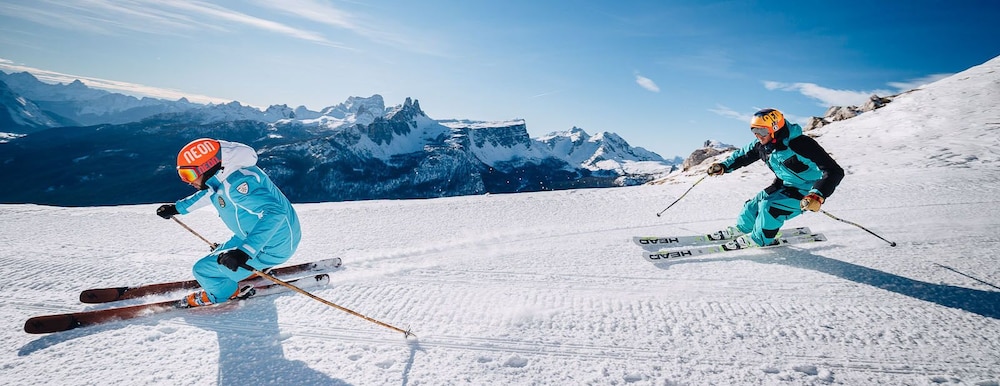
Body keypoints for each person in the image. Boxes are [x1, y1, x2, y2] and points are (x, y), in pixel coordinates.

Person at [156, 138, 301, 307]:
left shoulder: (238, 185)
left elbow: (276, 212)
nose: (188, 181)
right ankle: (247, 268)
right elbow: (208, 193)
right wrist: (178, 208)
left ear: (207, 167)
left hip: (272, 246)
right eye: (183, 175)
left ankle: (225, 293)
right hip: (257, 236)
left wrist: (244, 252)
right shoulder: (225, 177)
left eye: (189, 175)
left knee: (202, 271)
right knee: (220, 254)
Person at [707, 108, 844, 247]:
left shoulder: (801, 144)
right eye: (754, 131)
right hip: (784, 185)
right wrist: (724, 166)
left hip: (806, 192)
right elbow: (742, 155)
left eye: (762, 131)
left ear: (775, 129)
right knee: (753, 205)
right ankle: (743, 229)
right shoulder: (763, 146)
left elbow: (834, 171)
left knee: (769, 207)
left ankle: (758, 239)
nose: (758, 136)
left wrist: (817, 195)